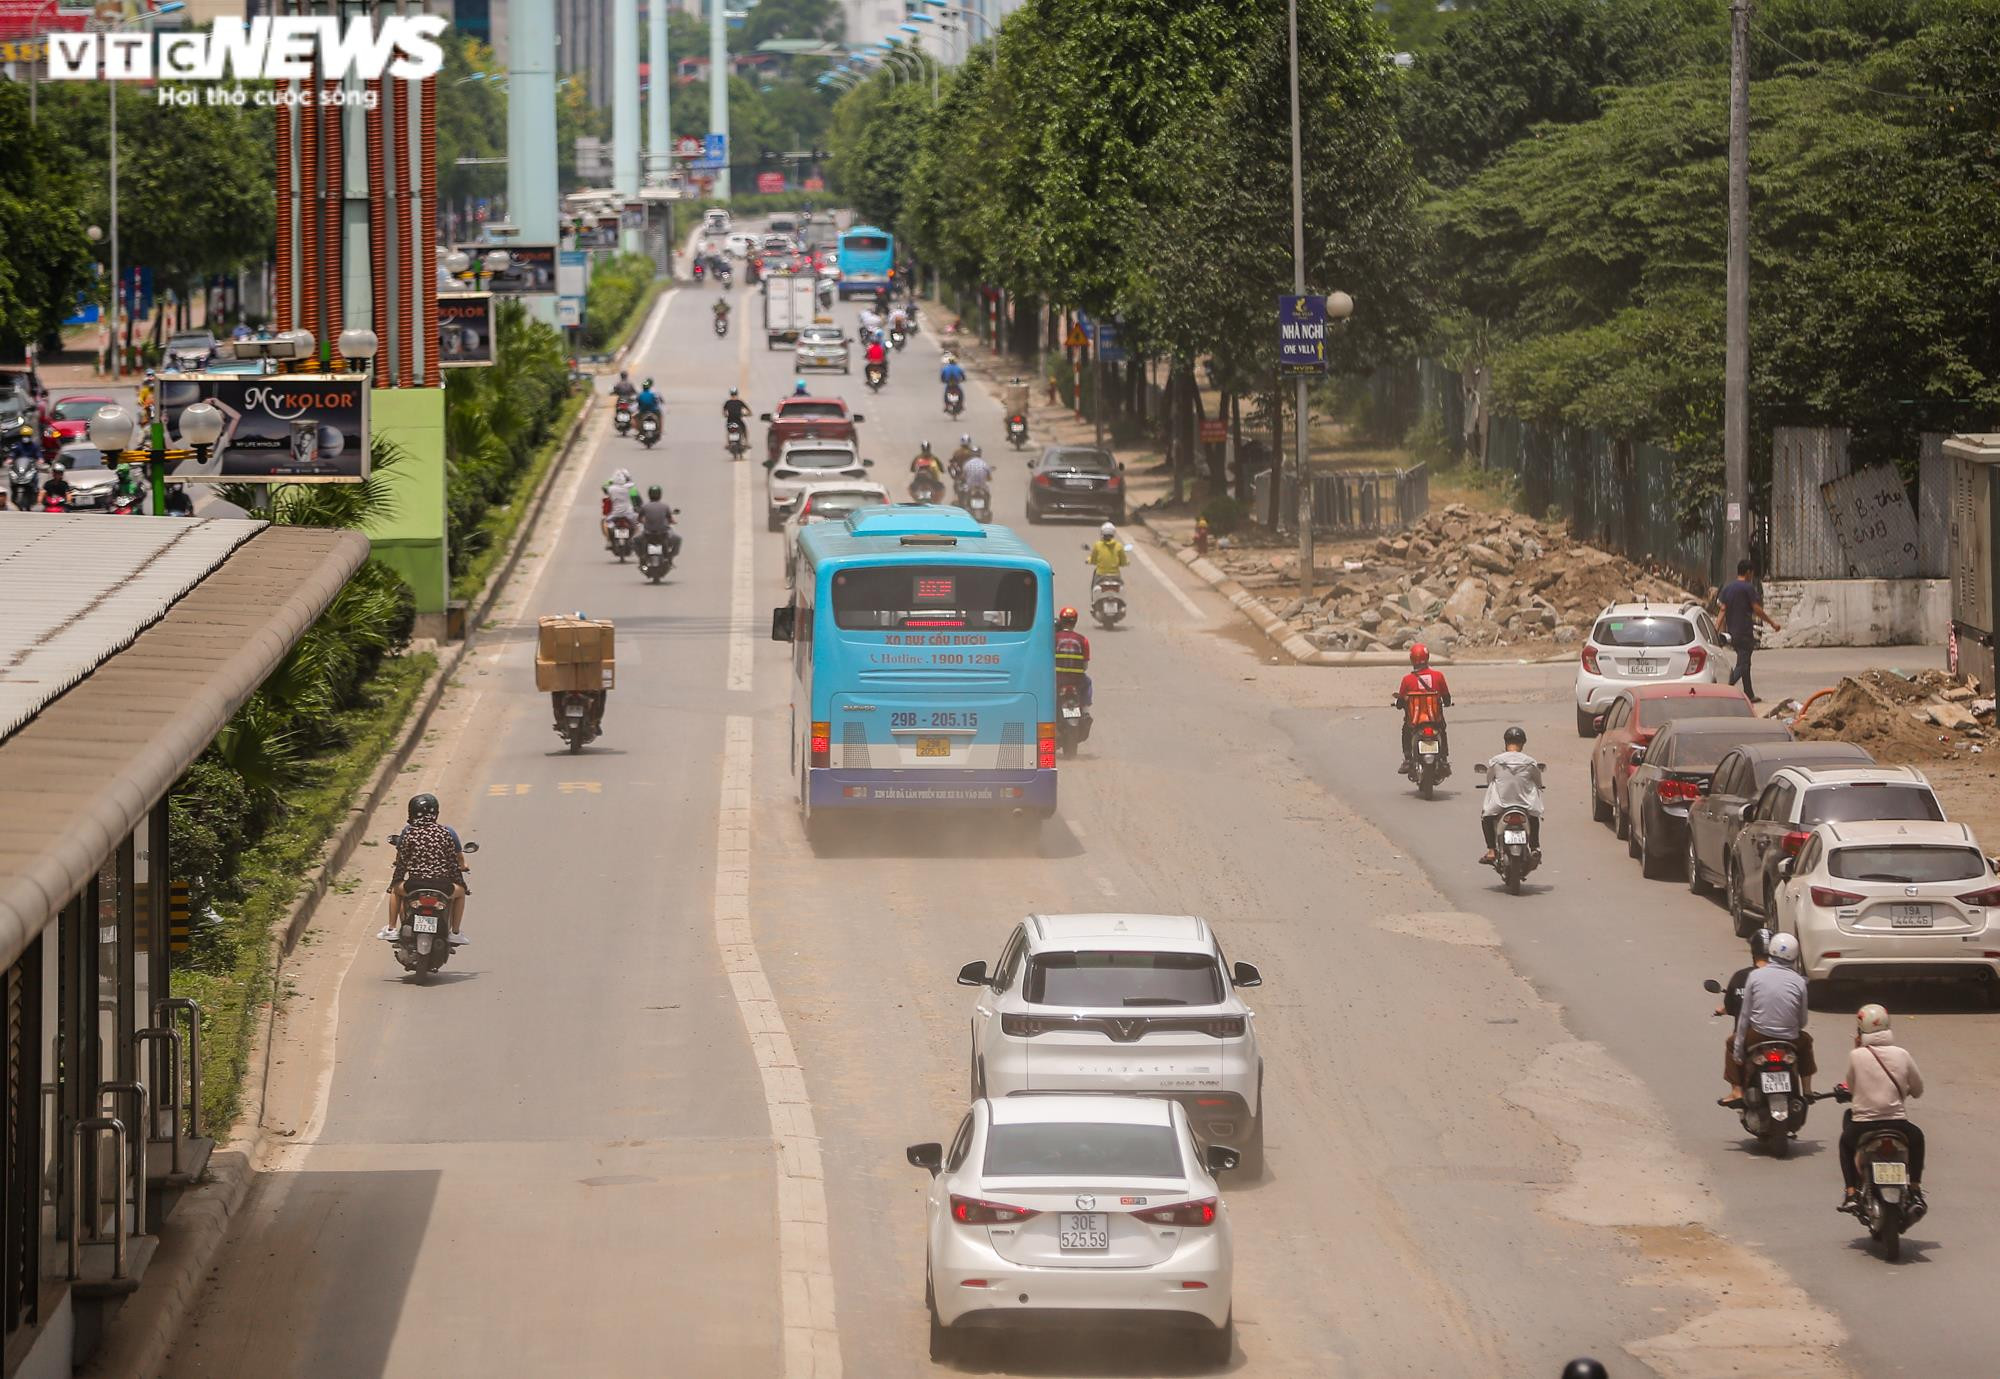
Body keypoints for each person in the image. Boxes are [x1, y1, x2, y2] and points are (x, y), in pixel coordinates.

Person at [1835, 1003, 1925, 1215]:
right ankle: (1915, 1190)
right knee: (1918, 1138)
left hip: (1863, 1125)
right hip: (1898, 1124)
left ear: (1860, 1030)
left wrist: (1857, 1048)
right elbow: (1918, 1089)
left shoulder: (1856, 1056)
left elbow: (1852, 1087)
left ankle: (1850, 1194)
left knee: (1845, 1144)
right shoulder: (1902, 1054)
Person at [1723, 931, 1813, 1106]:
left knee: (1729, 1043)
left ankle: (1736, 1091)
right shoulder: (1799, 981)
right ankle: (1807, 1090)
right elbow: (1802, 1020)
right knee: (1807, 1042)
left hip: (1759, 1035)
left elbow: (1744, 1017)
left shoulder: (1755, 976)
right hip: (1790, 1038)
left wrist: (1739, 1049)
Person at [381, 793, 471, 944]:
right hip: (442, 886)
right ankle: (455, 932)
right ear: (435, 813)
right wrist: (462, 884)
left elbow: (401, 863)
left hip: (414, 885)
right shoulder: (445, 833)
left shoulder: (409, 833)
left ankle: (391, 929)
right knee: (461, 893)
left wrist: (394, 882)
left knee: (396, 890)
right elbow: (453, 863)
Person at [1714, 559, 1781, 703]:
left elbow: (1722, 610)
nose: (1752, 576)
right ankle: (1723, 690)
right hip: (1744, 632)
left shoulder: (1728, 588)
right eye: (1752, 573)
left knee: (1745, 663)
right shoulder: (1748, 588)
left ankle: (1749, 694)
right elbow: (1756, 609)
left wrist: (1715, 630)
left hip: (1733, 632)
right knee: (1742, 665)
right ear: (1748, 572)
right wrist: (1772, 623)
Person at [1478, 726, 1543, 863]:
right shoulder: (1530, 762)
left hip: (1501, 804)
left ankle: (1491, 850)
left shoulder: (1496, 761)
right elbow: (1538, 781)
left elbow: (1489, 779)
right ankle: (1535, 847)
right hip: (1524, 804)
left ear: (1506, 742)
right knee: (1534, 817)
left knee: (1486, 817)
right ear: (1523, 743)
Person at [1394, 643, 1452, 775]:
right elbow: (1447, 697)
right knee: (1442, 730)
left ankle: (1408, 759)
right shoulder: (1438, 676)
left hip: (1414, 721)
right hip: (1435, 720)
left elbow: (1401, 701)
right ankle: (1443, 758)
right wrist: (1447, 703)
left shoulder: (1407, 680)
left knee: (1406, 731)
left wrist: (1400, 704)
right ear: (1427, 657)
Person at [1714, 929, 1772, 1019]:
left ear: (1753, 950)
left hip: (1746, 1032)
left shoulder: (1740, 977)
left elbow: (1730, 1007)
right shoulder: (1786, 979)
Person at [1054, 605, 1092, 707]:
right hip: (1077, 679)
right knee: (1088, 682)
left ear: (1061, 621)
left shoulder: (1053, 638)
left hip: (1057, 678)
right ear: (1075, 621)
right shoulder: (1083, 640)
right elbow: (1085, 666)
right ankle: (1085, 710)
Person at [634, 483, 681, 561]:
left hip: (648, 534)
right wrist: (674, 522)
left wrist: (644, 522)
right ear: (660, 495)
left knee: (634, 541)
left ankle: (641, 557)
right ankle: (670, 557)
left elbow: (639, 519)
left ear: (649, 494)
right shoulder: (665, 506)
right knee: (678, 539)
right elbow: (670, 520)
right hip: (663, 534)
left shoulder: (645, 506)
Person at [602, 467, 638, 546]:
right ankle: (633, 538)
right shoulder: (629, 488)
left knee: (605, 522)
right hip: (628, 513)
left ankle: (609, 540)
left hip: (615, 513)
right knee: (637, 524)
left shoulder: (611, 489)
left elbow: (604, 488)